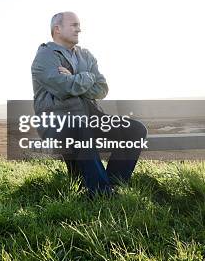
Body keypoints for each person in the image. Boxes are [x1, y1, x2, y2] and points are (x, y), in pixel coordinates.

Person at [31, 12, 147, 197]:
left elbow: (101, 89)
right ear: (57, 29)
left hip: (91, 117)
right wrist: (87, 77)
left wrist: (76, 79)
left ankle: (113, 183)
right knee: (79, 126)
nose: (79, 29)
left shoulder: (86, 55)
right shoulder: (45, 56)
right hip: (58, 124)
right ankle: (100, 193)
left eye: (79, 25)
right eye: (74, 25)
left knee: (135, 130)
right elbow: (63, 88)